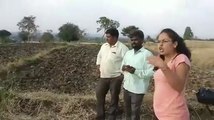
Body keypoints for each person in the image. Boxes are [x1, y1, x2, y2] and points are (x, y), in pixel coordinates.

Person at [148, 28, 191, 120]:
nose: (160, 44)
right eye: (159, 41)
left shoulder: (181, 59)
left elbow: (179, 86)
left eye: (164, 41)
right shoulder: (163, 59)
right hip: (159, 112)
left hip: (174, 115)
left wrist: (163, 67)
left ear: (175, 44)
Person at [96, 28, 129, 120]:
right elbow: (99, 57)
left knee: (114, 97)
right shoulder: (104, 46)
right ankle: (100, 116)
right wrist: (98, 67)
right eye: (106, 37)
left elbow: (127, 61)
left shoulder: (123, 48)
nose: (106, 38)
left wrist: (122, 75)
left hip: (115, 77)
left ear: (115, 37)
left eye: (108, 37)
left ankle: (111, 116)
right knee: (99, 94)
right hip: (103, 76)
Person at [121, 30, 154, 120]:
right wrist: (124, 68)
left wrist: (135, 71)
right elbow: (122, 66)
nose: (133, 42)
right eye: (132, 40)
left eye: (136, 40)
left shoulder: (147, 54)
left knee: (135, 114)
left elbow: (151, 72)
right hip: (127, 87)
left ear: (142, 40)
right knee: (127, 111)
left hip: (138, 89)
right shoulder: (128, 53)